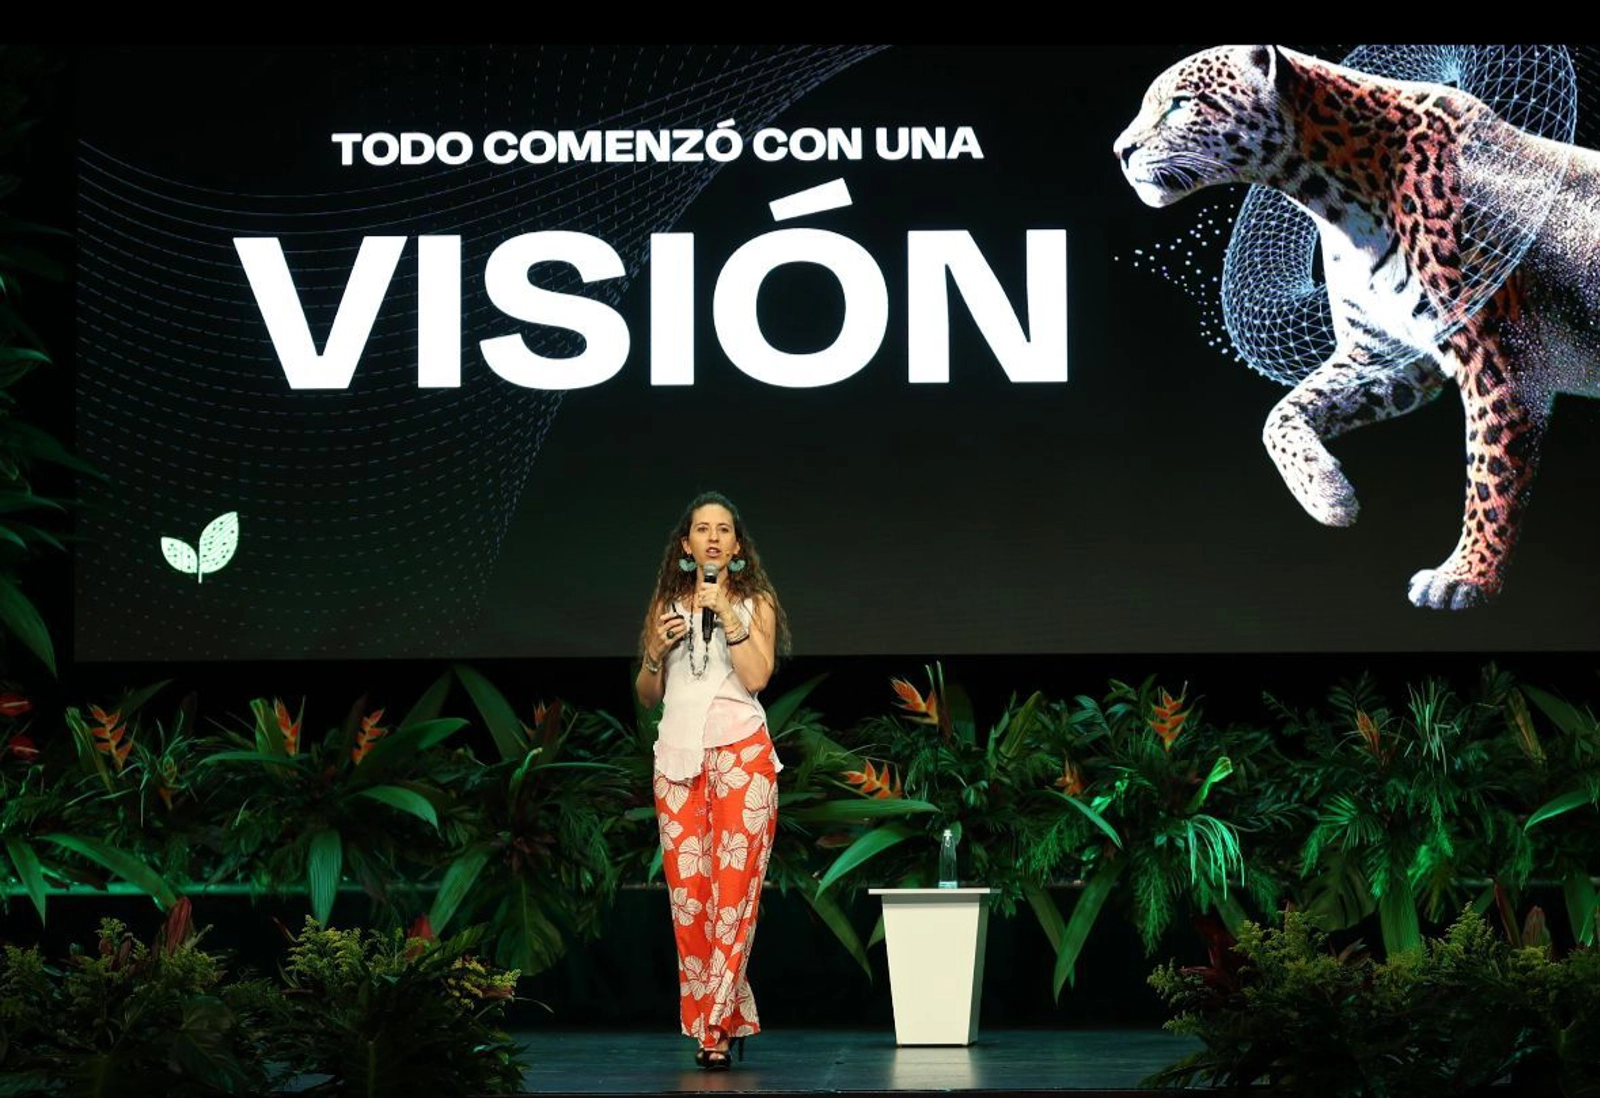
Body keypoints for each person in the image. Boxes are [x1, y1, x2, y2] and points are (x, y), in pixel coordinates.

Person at [635, 491, 789, 1070]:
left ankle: (715, 1031)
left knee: (732, 899)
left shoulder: (755, 602)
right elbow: (647, 696)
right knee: (691, 903)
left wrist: (726, 610)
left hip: (740, 756)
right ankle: (718, 1017)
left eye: (724, 530)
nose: (714, 538)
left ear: (737, 546)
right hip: (677, 762)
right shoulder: (666, 604)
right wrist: (654, 654)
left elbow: (758, 677)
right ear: (686, 545)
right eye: (703, 529)